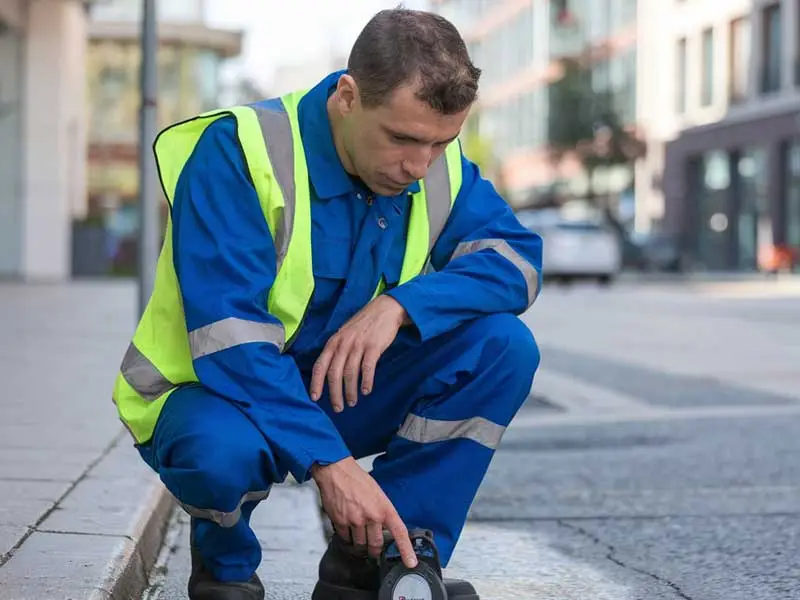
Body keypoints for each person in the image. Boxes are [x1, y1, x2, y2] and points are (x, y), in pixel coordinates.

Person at [112, 8, 542, 600]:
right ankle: (225, 568)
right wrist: (331, 465)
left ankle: (380, 563)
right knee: (221, 455)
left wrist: (403, 306)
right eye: (404, 139)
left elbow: (518, 261)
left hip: (332, 388)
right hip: (212, 393)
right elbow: (230, 339)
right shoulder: (238, 153)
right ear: (347, 96)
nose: (420, 166)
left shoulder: (436, 173)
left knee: (501, 347)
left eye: (442, 142)